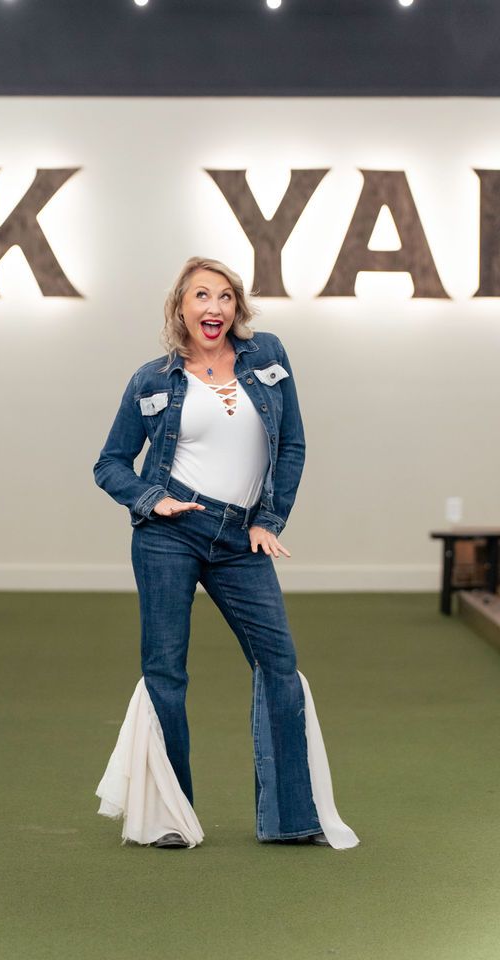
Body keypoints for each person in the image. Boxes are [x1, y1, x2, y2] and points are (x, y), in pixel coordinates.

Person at [92, 256, 359, 851]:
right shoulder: (152, 380)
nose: (214, 308)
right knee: (166, 670)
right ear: (180, 308)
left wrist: (269, 519)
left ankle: (293, 818)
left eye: (225, 297)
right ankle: (167, 818)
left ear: (237, 307)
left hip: (241, 539)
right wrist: (152, 500)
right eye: (201, 297)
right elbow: (108, 464)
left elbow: (291, 445)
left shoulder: (268, 358)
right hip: (170, 532)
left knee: (279, 664)